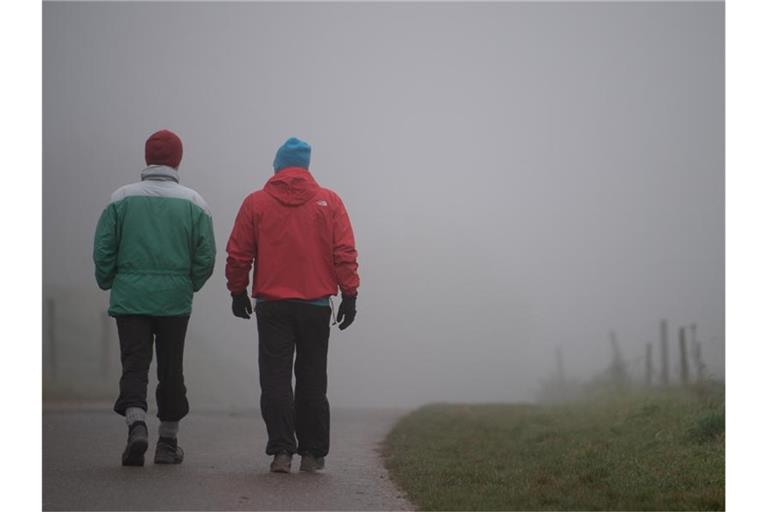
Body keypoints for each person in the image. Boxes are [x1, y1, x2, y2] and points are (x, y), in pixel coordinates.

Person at [225, 137, 359, 473]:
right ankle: (312, 453)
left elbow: (239, 253)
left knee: (275, 376)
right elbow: (343, 252)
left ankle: (281, 451)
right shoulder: (330, 202)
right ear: (306, 166)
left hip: (273, 305)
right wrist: (350, 294)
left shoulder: (255, 203)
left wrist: (238, 290)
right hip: (315, 305)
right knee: (312, 378)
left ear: (278, 165)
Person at [92, 129, 216, 466]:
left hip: (131, 296)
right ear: (177, 160)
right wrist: (188, 284)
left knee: (135, 364)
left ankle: (136, 426)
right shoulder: (194, 203)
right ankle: (167, 442)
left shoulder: (120, 198)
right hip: (174, 300)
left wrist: (107, 280)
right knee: (171, 368)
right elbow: (205, 256)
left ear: (147, 157)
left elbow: (105, 246)